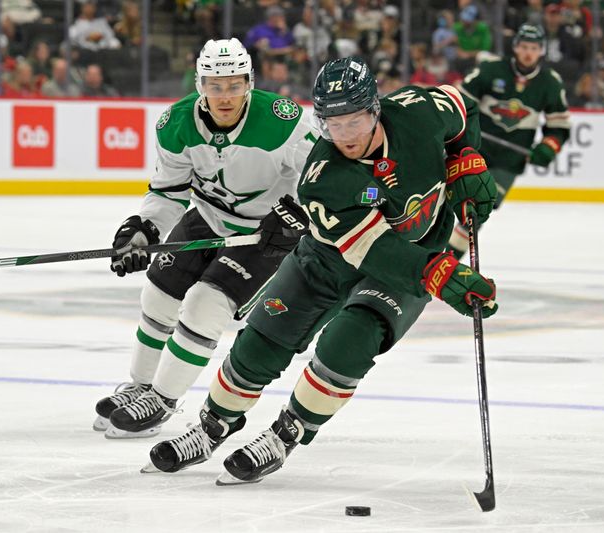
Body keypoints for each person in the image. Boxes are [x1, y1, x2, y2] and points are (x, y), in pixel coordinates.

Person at [144, 55, 499, 484]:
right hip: (333, 256)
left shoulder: (419, 111)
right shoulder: (322, 177)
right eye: (333, 124)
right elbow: (372, 249)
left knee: (351, 341)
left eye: (354, 122)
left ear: (375, 109)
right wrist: (440, 275)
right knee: (261, 339)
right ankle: (213, 424)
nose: (344, 136)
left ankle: (287, 431)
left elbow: (465, 113)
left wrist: (466, 159)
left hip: (413, 254)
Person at [93, 38, 317, 439]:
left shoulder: (284, 121)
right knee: (159, 292)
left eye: (234, 85)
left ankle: (162, 400)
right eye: (216, 86)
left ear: (249, 83)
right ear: (200, 86)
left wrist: (299, 215)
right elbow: (168, 191)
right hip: (209, 217)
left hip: (264, 236)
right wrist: (144, 229)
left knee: (204, 303)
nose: (225, 96)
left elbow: (321, 176)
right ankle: (141, 386)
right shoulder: (175, 124)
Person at [446, 23, 570, 258]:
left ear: (542, 51)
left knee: (476, 213)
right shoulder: (491, 69)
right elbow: (459, 102)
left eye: (533, 47)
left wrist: (548, 147)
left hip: (508, 162)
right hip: (472, 150)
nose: (528, 52)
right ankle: (421, 256)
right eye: (524, 46)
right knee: (438, 200)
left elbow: (559, 126)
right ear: (515, 47)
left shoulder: (550, 82)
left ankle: (446, 264)